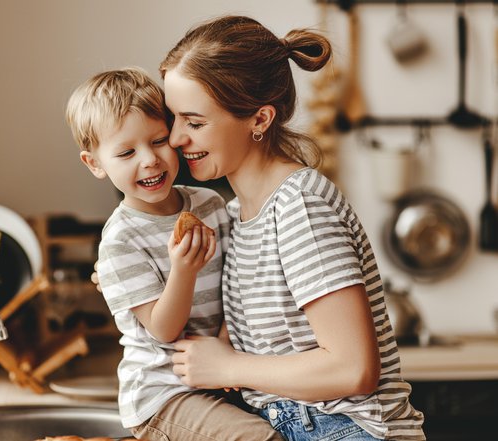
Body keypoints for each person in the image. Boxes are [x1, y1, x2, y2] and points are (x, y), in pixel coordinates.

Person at [156, 15, 426, 441]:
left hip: (348, 431)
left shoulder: (298, 206)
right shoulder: (237, 213)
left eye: (194, 122)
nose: (174, 139)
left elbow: (353, 368)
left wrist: (227, 366)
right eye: (173, 118)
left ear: (259, 120)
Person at [65, 67, 285, 441]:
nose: (149, 159)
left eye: (159, 140)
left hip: (220, 378)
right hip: (164, 397)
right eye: (126, 152)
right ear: (95, 163)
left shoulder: (210, 204)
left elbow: (240, 281)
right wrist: (183, 271)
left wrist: (227, 344)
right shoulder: (120, 240)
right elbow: (163, 330)